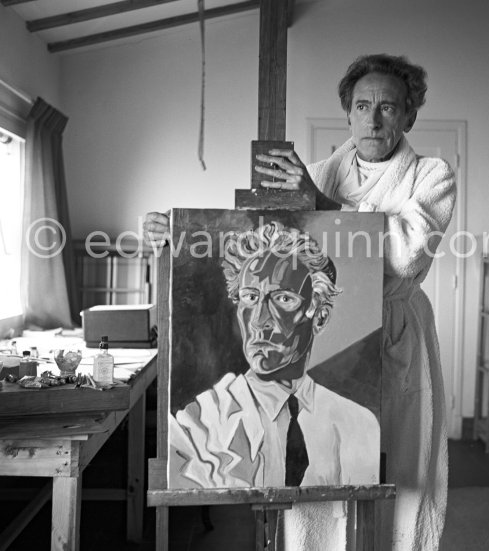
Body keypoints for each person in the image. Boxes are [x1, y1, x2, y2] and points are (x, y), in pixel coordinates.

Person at [145, 53, 456, 551]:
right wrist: (177, 231)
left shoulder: (431, 175)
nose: (373, 119)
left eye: (388, 107)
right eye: (362, 105)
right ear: (347, 114)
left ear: (410, 115)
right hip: (326, 342)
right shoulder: (314, 174)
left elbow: (403, 255)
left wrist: (321, 202)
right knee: (317, 477)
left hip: (396, 333)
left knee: (399, 467)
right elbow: (254, 234)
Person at [169, 221, 380, 489]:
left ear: (320, 317)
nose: (259, 320)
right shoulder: (200, 424)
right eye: (250, 297)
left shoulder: (358, 424)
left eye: (282, 299)